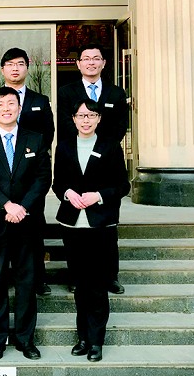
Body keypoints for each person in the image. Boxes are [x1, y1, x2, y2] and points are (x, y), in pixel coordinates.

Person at [0, 87, 51, 361]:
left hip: (26, 221)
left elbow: (43, 178)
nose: (6, 108)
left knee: (26, 282)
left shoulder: (35, 139)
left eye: (11, 103)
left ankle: (25, 339)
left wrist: (22, 207)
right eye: (1, 104)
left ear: (19, 108)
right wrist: (6, 205)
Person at [52, 99, 130, 363]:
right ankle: (83, 337)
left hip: (100, 225)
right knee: (80, 285)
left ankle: (96, 340)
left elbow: (123, 185)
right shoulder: (64, 147)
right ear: (73, 119)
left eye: (91, 115)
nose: (86, 120)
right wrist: (67, 193)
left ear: (98, 119)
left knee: (97, 285)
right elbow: (57, 183)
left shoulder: (110, 146)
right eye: (81, 116)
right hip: (72, 225)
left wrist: (99, 195)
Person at [0, 47, 54, 296]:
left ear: (27, 68)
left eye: (20, 64)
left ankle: (37, 279)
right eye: (10, 64)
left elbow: (48, 133)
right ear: (2, 69)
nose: (15, 68)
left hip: (29, 183)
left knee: (33, 235)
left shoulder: (39, 100)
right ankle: (3, 281)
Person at [57, 43, 129, 295]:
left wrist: (103, 146)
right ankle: (77, 277)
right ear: (78, 64)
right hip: (75, 158)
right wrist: (79, 141)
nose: (91, 62)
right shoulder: (66, 92)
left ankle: (110, 277)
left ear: (103, 63)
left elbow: (120, 125)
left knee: (106, 236)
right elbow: (64, 122)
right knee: (75, 237)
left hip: (105, 164)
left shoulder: (116, 93)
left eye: (96, 58)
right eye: (86, 58)